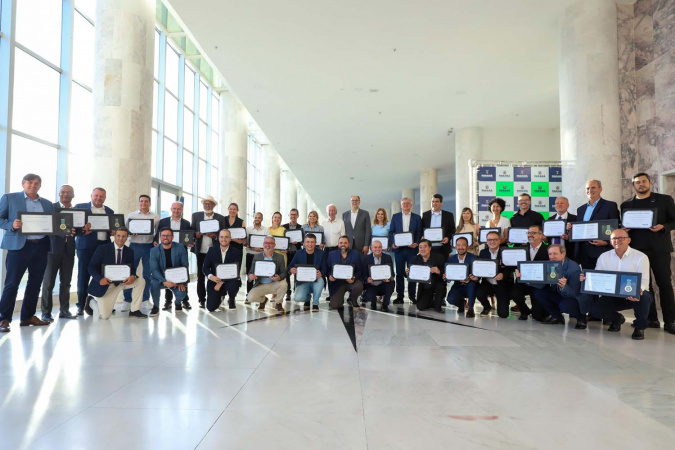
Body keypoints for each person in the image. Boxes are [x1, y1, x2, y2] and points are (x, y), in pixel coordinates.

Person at [621, 172, 675, 334]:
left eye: (644, 181)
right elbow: (624, 226)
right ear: (633, 185)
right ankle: (651, 319)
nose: (641, 184)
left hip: (659, 249)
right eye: (637, 182)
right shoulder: (626, 205)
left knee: (664, 285)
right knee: (644, 286)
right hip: (637, 251)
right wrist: (624, 229)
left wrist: (664, 227)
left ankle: (670, 321)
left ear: (649, 183)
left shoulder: (664, 200)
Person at [0, 174, 55, 332]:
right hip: (19, 247)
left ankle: (27, 316)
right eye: (29, 182)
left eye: (36, 183)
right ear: (23, 183)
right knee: (12, 283)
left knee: (35, 283)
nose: (33, 185)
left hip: (41, 246)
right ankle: (4, 318)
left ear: (40, 186)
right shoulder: (10, 198)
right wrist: (11, 224)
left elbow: (54, 224)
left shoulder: (47, 204)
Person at [586, 229, 653, 340]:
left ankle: (639, 327)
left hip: (634, 294)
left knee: (644, 296)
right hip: (613, 295)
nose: (617, 240)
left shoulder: (641, 257)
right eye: (614, 238)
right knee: (595, 310)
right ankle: (617, 319)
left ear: (629, 240)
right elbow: (598, 276)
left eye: (621, 238)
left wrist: (638, 290)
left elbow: (644, 281)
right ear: (611, 241)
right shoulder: (604, 256)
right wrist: (588, 278)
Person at [87, 228, 147, 319]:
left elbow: (132, 268)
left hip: (123, 282)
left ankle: (135, 310)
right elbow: (91, 267)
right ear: (114, 236)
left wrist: (133, 275)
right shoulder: (102, 249)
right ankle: (91, 301)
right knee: (105, 316)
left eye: (123, 236)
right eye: (118, 236)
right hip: (107, 284)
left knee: (141, 281)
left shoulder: (129, 251)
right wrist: (100, 279)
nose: (120, 238)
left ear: (127, 238)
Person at [40, 184, 78, 321]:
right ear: (59, 194)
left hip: (69, 250)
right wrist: (64, 232)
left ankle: (64, 310)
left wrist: (85, 229)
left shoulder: (77, 212)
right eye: (63, 192)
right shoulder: (51, 208)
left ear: (73, 195)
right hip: (52, 250)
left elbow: (77, 230)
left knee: (66, 282)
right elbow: (47, 226)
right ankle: (46, 313)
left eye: (69, 192)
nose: (65, 194)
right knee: (48, 283)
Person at [74, 187, 114, 316]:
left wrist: (113, 232)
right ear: (91, 195)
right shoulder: (80, 207)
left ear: (105, 198)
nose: (98, 198)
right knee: (83, 276)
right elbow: (73, 227)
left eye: (101, 196)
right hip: (86, 247)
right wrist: (82, 230)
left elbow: (111, 229)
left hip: (104, 247)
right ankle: (81, 305)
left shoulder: (109, 211)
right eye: (96, 195)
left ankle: (102, 304)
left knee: (104, 276)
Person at [531, 244, 588, 329]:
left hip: (575, 297)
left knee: (565, 305)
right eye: (550, 254)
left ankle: (581, 318)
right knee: (539, 293)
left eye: (555, 254)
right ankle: (557, 317)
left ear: (563, 254)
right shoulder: (550, 264)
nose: (552, 257)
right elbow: (541, 284)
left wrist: (564, 286)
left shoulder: (573, 268)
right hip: (559, 292)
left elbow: (574, 292)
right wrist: (524, 277)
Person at [122, 194, 160, 312]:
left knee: (147, 274)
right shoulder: (131, 215)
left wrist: (156, 241)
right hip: (134, 246)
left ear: (150, 203)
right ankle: (127, 300)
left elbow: (157, 233)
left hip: (149, 247)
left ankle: (145, 299)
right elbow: (125, 231)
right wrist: (130, 233)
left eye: (146, 201)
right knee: (129, 272)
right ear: (139, 203)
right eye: (141, 201)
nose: (143, 203)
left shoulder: (155, 216)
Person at [571, 180, 619, 270]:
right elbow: (580, 229)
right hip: (583, 252)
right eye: (587, 188)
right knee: (587, 277)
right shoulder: (580, 209)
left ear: (600, 189)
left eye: (593, 187)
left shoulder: (610, 206)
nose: (590, 190)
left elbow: (615, 227)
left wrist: (606, 242)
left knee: (602, 277)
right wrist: (571, 230)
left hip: (601, 250)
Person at [154, 202, 192, 310]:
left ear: (182, 210)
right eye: (174, 208)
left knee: (183, 274)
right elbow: (158, 235)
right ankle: (168, 301)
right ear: (171, 209)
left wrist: (189, 242)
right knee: (168, 274)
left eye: (178, 209)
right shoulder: (163, 221)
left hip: (181, 253)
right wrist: (156, 242)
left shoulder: (186, 223)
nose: (176, 210)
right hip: (166, 252)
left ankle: (185, 300)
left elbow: (188, 237)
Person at [191, 196, 226, 308]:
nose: (207, 205)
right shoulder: (196, 216)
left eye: (210, 204)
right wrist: (195, 234)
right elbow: (191, 230)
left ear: (214, 205)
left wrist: (215, 236)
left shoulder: (220, 218)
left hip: (214, 251)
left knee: (216, 275)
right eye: (205, 203)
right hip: (200, 251)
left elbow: (223, 233)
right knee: (201, 276)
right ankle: (201, 299)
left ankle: (215, 297)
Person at [511, 224, 550, 321]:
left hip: (539, 285)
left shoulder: (548, 250)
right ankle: (524, 311)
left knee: (538, 316)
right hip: (523, 282)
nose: (530, 235)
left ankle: (543, 310)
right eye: (528, 233)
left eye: (533, 233)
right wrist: (516, 270)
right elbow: (514, 264)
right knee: (514, 293)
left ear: (541, 235)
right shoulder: (521, 249)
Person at [148, 227, 189, 316]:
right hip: (160, 277)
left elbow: (185, 265)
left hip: (177, 278)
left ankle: (178, 303)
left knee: (181, 293)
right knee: (154, 284)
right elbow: (154, 269)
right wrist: (164, 281)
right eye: (163, 235)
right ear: (160, 237)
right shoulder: (154, 250)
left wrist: (181, 281)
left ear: (172, 237)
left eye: (168, 235)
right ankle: (156, 306)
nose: (165, 237)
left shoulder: (180, 247)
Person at [389, 197, 423, 304]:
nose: (406, 205)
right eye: (404, 204)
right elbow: (391, 232)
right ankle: (400, 296)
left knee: (412, 272)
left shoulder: (417, 217)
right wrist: (393, 243)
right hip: (399, 250)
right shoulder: (395, 217)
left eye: (408, 203)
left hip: (412, 250)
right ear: (401, 205)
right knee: (399, 273)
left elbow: (419, 232)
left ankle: (412, 296)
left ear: (411, 205)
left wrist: (416, 242)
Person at [444, 237, 485, 317]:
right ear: (455, 247)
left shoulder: (474, 258)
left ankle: (470, 309)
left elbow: (479, 273)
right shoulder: (451, 259)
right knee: (450, 299)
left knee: (471, 284)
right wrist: (446, 277)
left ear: (467, 246)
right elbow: (449, 276)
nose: (461, 247)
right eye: (458, 245)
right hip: (458, 285)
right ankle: (461, 304)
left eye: (463, 245)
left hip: (471, 284)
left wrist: (475, 278)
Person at [203, 229, 242, 312]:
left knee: (234, 285)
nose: (224, 239)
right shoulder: (211, 250)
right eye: (221, 237)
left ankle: (231, 298)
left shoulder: (236, 252)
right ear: (218, 238)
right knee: (211, 307)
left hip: (230, 280)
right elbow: (205, 267)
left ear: (230, 238)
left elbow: (234, 272)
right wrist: (211, 276)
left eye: (226, 237)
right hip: (215, 279)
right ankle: (220, 296)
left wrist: (220, 283)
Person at [475, 231, 512, 318]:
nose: (492, 242)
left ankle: (504, 302)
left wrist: (503, 275)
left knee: (503, 314)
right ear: (486, 241)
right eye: (489, 240)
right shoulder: (483, 252)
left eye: (495, 239)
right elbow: (479, 268)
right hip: (488, 283)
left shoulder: (506, 251)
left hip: (502, 284)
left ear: (499, 240)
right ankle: (487, 306)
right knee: (479, 293)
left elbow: (510, 268)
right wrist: (476, 276)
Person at [287, 233, 327, 312]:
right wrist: (291, 269)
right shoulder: (298, 253)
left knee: (320, 281)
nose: (310, 244)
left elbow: (325, 268)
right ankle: (308, 298)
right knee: (297, 298)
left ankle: (315, 304)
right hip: (303, 281)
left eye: (312, 242)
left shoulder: (321, 253)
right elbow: (290, 266)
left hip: (316, 280)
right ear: (304, 243)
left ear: (315, 243)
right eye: (308, 242)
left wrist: (321, 273)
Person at [247, 236, 287, 313]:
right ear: (263, 244)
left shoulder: (280, 257)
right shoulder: (257, 256)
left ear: (274, 245)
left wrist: (279, 277)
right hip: (261, 284)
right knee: (250, 298)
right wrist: (250, 276)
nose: (268, 245)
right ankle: (263, 300)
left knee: (283, 284)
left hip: (274, 284)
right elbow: (251, 272)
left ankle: (278, 303)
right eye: (266, 242)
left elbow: (283, 273)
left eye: (271, 243)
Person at [408, 239, 446, 312]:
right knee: (420, 307)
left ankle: (438, 302)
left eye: (425, 247)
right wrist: (408, 273)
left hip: (437, 284)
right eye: (420, 247)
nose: (422, 249)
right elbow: (408, 275)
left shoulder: (439, 258)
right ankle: (431, 300)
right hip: (425, 286)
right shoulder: (415, 259)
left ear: (430, 248)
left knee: (437, 307)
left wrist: (439, 271)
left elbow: (445, 275)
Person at [327, 236, 364, 309]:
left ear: (349, 244)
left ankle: (352, 299)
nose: (343, 245)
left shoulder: (355, 254)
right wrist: (329, 276)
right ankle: (338, 299)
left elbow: (360, 270)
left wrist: (354, 277)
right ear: (338, 244)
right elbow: (328, 269)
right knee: (335, 305)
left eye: (345, 243)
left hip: (351, 282)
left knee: (358, 286)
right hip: (337, 283)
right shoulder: (331, 254)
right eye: (341, 243)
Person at [362, 239, 395, 311]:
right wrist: (367, 279)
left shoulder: (388, 257)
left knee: (391, 283)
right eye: (375, 247)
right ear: (371, 248)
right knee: (368, 297)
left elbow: (392, 274)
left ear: (382, 248)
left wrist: (389, 278)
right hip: (371, 285)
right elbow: (363, 275)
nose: (377, 249)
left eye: (379, 247)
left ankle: (385, 304)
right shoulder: (366, 258)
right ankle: (373, 301)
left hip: (383, 284)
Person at [421, 194, 456, 258]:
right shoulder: (425, 215)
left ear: (441, 203)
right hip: (428, 248)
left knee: (442, 264)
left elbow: (453, 229)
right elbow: (421, 228)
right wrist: (422, 236)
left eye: (437, 201)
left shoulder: (449, 215)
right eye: (433, 201)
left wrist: (448, 238)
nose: (434, 203)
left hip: (443, 248)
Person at [245, 212, 270, 294]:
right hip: (250, 255)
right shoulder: (248, 229)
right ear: (254, 218)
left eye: (259, 217)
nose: (257, 219)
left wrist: (262, 250)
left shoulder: (266, 230)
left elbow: (269, 243)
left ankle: (259, 295)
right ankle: (249, 295)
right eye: (256, 217)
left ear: (262, 219)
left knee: (260, 276)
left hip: (261, 256)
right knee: (249, 275)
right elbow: (244, 242)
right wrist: (248, 245)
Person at [283, 208, 302, 301]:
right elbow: (282, 240)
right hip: (287, 253)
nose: (293, 216)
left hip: (297, 253)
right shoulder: (284, 227)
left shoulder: (301, 227)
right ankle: (288, 292)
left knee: (297, 273)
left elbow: (303, 241)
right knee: (287, 272)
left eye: (295, 214)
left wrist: (298, 242)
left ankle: (296, 290)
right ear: (289, 215)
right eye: (291, 214)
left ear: (297, 216)